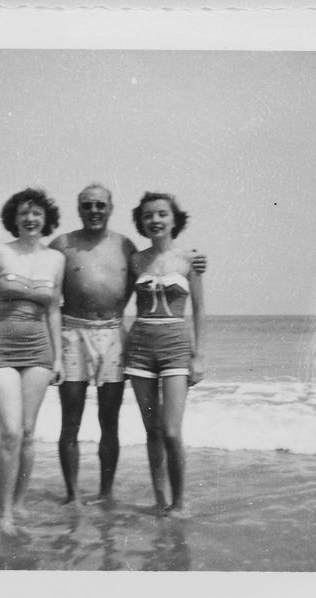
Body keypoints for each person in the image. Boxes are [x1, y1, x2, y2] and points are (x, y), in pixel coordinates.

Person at [0, 183, 207, 506]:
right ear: (79, 209)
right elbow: (30, 258)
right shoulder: (62, 244)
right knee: (70, 419)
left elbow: (157, 269)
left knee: (109, 420)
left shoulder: (126, 247)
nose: (94, 211)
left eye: (100, 205)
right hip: (72, 332)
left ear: (111, 208)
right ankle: (72, 495)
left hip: (113, 332)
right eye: (87, 205)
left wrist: (195, 262)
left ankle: (105, 492)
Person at [0, 188, 65, 535]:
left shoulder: (56, 259)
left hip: (39, 348)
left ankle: (20, 504)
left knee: (27, 432)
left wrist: (58, 358)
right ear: (14, 218)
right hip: (0, 345)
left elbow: (54, 310)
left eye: (36, 213)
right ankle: (4, 512)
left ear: (46, 218)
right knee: (10, 431)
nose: (30, 219)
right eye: (24, 213)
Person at [124, 191, 205, 518]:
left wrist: (198, 356)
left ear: (174, 219)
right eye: (148, 216)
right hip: (140, 347)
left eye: (162, 214)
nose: (155, 220)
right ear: (141, 223)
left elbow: (199, 309)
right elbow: (116, 303)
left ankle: (180, 503)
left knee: (171, 431)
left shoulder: (190, 260)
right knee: (152, 431)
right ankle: (160, 500)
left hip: (175, 347)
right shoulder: (136, 261)